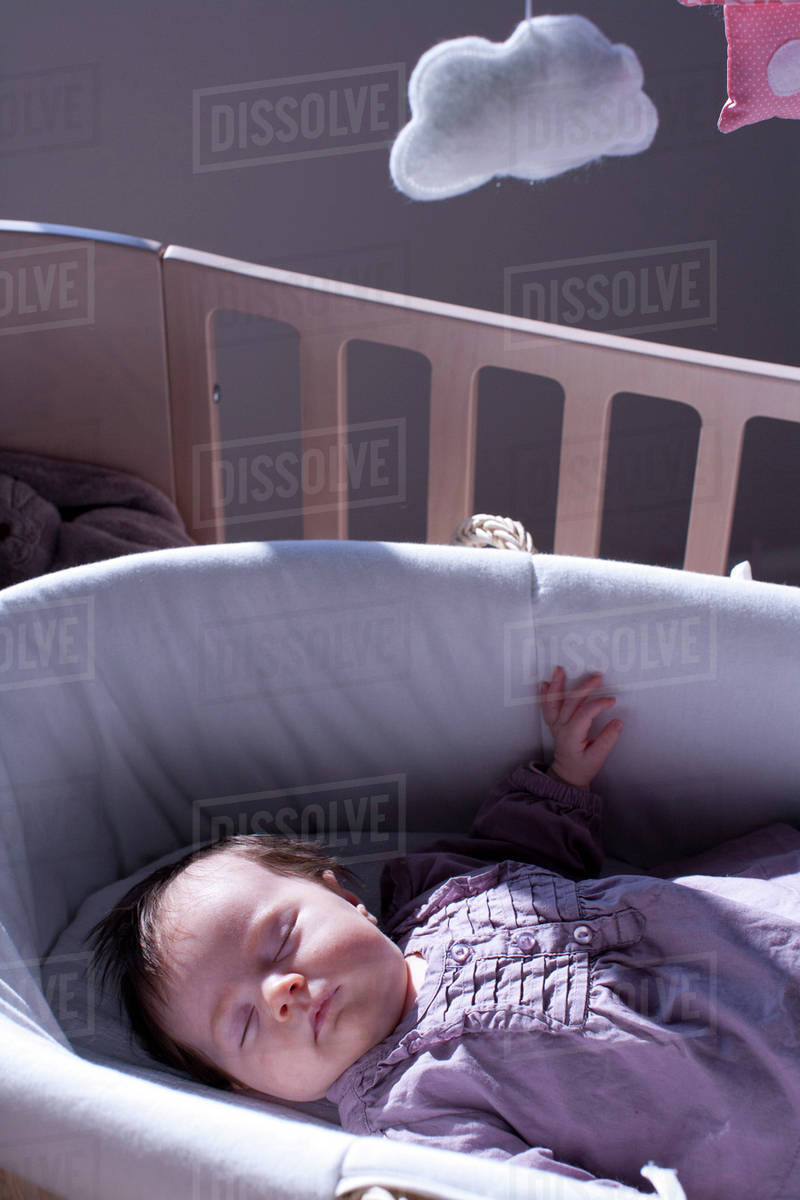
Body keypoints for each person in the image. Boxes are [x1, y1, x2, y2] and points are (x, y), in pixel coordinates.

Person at [89, 667, 800, 1197]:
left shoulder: (431, 895)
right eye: (243, 1025)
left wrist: (566, 775)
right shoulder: (409, 1123)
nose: (284, 992)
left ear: (347, 898)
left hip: (745, 928)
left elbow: (522, 852)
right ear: (251, 1093)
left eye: (281, 941)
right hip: (751, 1099)